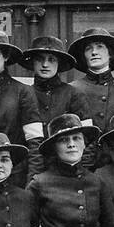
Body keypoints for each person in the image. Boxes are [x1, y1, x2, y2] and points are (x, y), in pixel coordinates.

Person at [0, 30, 44, 187]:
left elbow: (34, 142)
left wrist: (32, 180)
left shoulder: (23, 91)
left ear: (5, 56)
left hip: (17, 177)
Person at [67, 28, 114, 168]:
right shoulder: (72, 89)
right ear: (84, 55)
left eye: (100, 47)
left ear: (110, 53)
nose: (94, 52)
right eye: (89, 49)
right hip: (82, 165)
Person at [21, 35, 88, 178]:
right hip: (31, 170)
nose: (45, 65)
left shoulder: (73, 93)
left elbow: (87, 139)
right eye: (40, 59)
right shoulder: (25, 93)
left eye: (51, 60)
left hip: (67, 171)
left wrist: (81, 172)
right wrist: (34, 175)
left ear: (59, 63)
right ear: (33, 62)